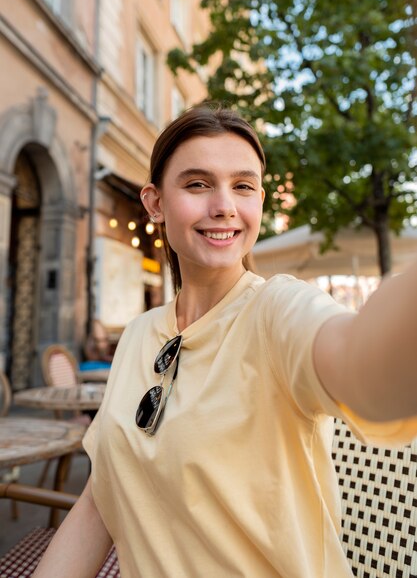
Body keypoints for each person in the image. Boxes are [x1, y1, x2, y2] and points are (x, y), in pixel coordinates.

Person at [33, 104, 417, 578]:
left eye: (243, 186)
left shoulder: (277, 311)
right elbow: (100, 498)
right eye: (198, 184)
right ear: (154, 203)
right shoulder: (138, 334)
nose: (224, 206)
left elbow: (365, 367)